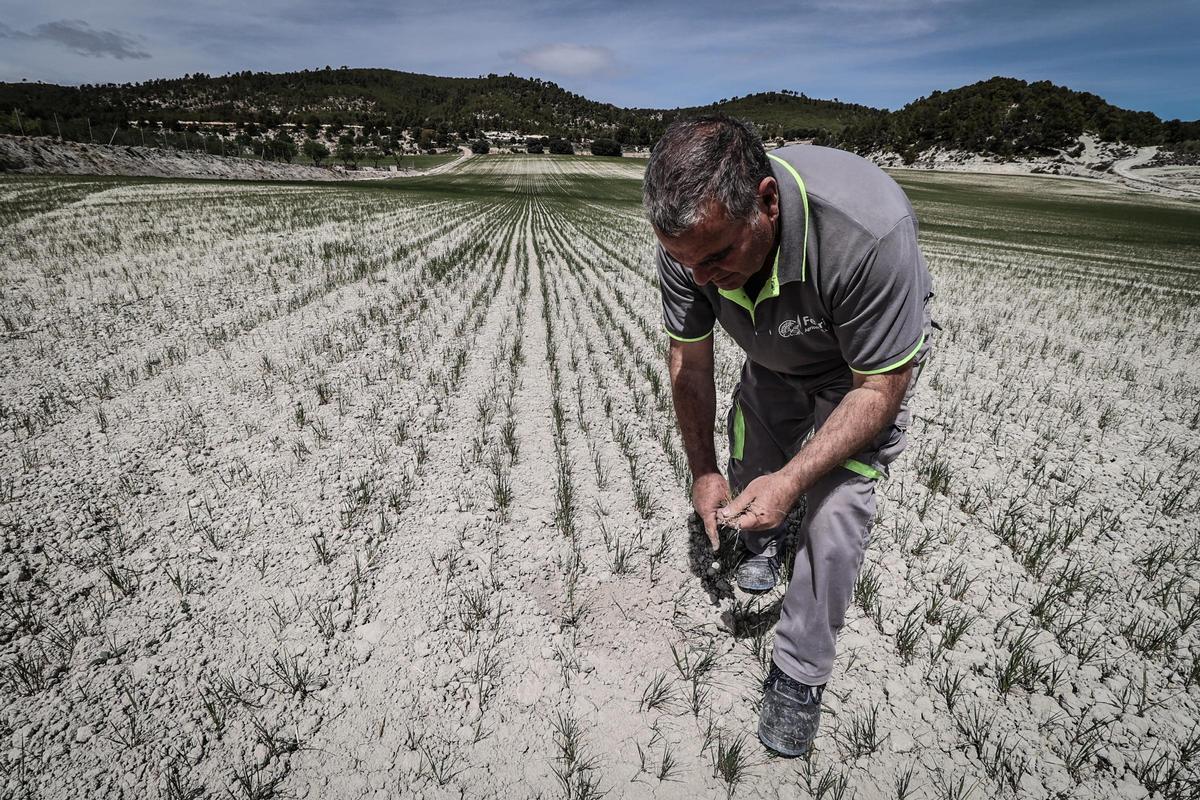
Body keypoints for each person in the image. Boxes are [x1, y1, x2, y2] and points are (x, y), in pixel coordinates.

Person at [642, 115, 934, 757]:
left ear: (767, 204)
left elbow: (878, 392)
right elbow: (689, 361)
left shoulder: (868, 232)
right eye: (684, 262)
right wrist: (703, 471)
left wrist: (798, 478)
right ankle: (763, 541)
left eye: (716, 258)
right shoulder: (693, 248)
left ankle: (800, 675)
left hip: (853, 373)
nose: (699, 278)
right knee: (753, 462)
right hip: (771, 356)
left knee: (834, 513)